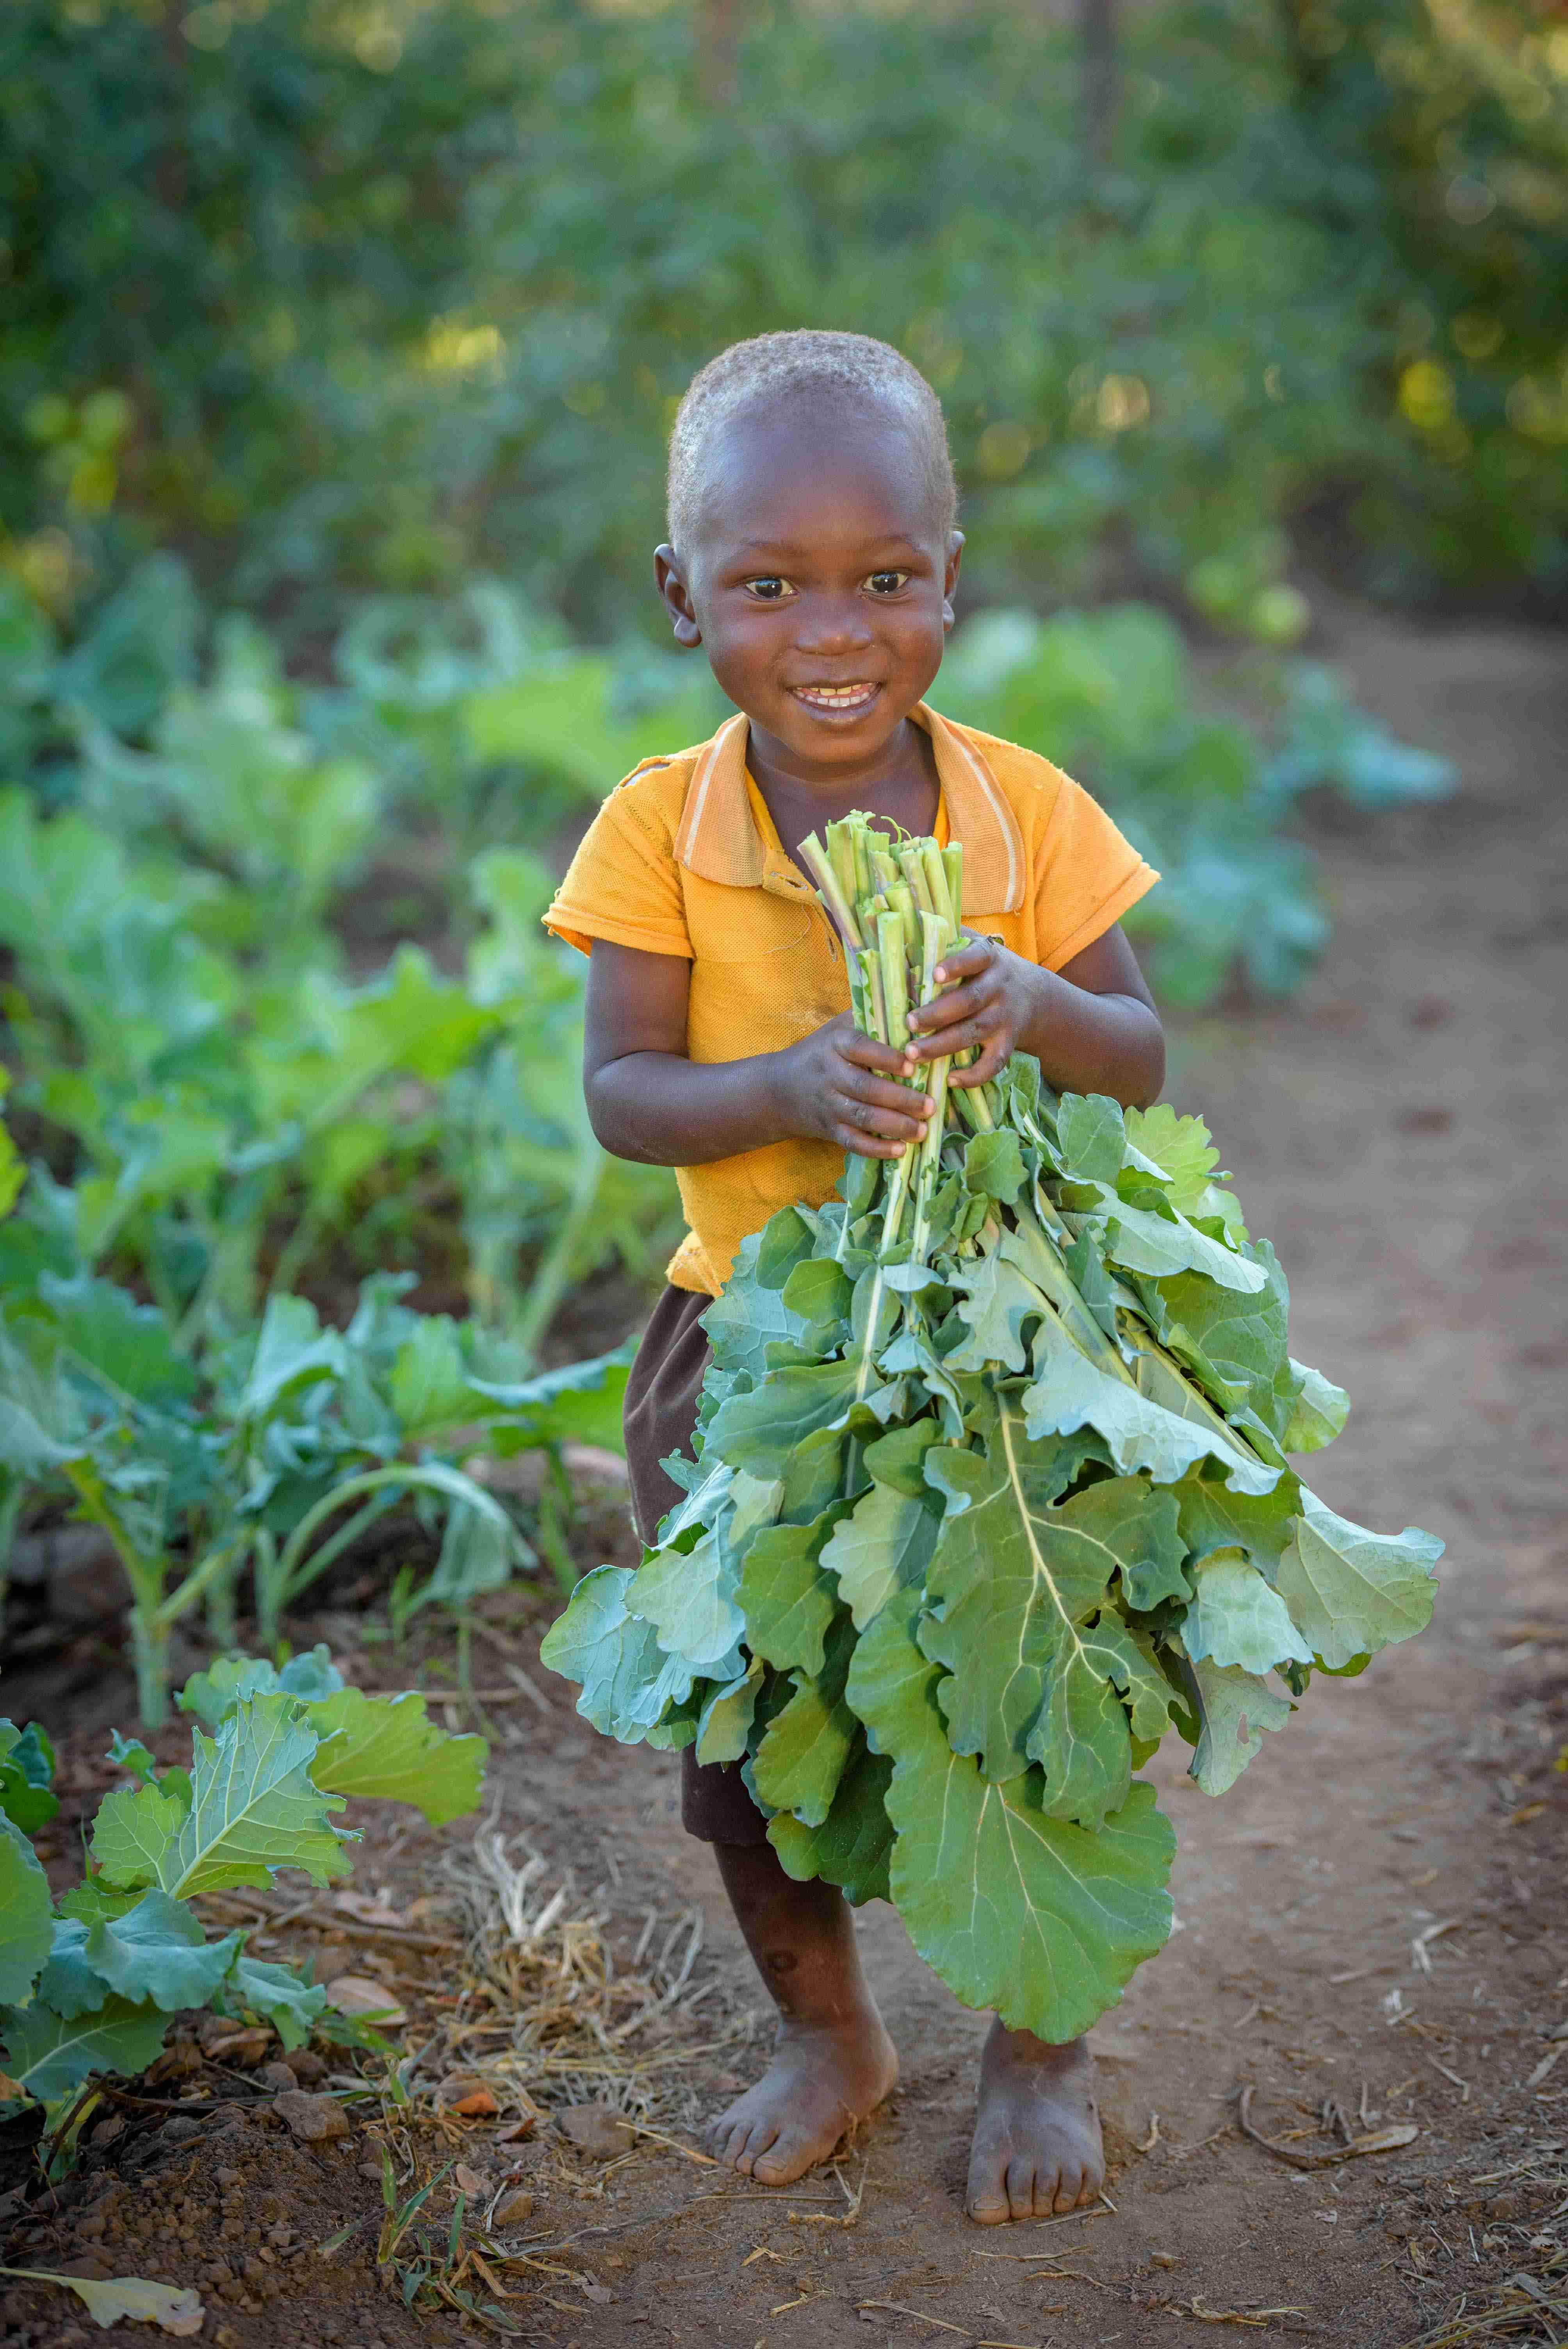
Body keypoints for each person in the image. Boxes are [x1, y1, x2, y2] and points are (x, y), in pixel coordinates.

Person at [543, 330, 1165, 2225]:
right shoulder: (661, 820)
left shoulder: (1022, 810)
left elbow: (1136, 1057)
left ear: (949, 581)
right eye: (768, 585)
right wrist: (783, 1085)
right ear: (684, 599)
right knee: (742, 1725)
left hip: (1005, 1331)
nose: (834, 629)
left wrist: (1037, 1001)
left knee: (1042, 1681)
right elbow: (622, 1094)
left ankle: (1039, 2050)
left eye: (884, 578)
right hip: (750, 1344)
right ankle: (828, 2028)